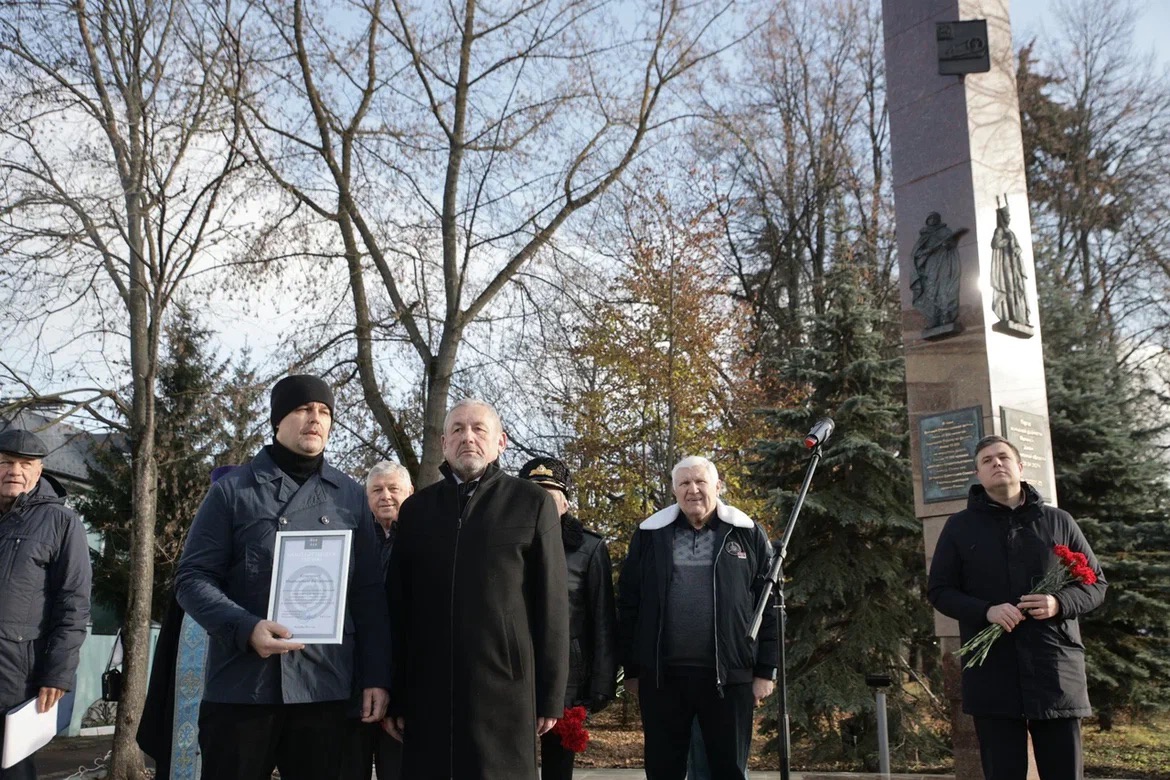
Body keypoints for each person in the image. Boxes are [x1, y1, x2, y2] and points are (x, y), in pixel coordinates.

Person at [175, 374, 391, 780]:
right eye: (303, 409)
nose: (316, 419)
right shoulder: (233, 491)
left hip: (324, 686)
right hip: (243, 687)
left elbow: (367, 595)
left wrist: (376, 676)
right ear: (277, 420)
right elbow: (192, 578)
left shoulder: (349, 496)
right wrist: (245, 627)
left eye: (324, 412)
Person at [386, 399, 569, 779]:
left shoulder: (531, 504)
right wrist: (395, 693)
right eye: (457, 429)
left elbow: (551, 606)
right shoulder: (416, 510)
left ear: (501, 442)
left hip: (505, 691)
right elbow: (398, 607)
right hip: (428, 690)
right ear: (443, 443)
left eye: (478, 429)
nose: (467, 437)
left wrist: (551, 696)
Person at [928, 435, 1107, 780]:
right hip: (993, 674)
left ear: (1020, 467)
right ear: (978, 475)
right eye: (986, 460)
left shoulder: (1059, 521)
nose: (996, 463)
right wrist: (986, 611)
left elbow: (1096, 585)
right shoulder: (959, 527)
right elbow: (939, 591)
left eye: (1003, 457)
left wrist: (1059, 602)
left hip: (1054, 671)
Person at [618, 456, 777, 780]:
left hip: (729, 678)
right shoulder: (650, 535)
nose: (693, 490)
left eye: (700, 481)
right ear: (674, 491)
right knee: (663, 771)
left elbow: (770, 605)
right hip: (663, 678)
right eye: (684, 483)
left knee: (728, 771)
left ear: (718, 486)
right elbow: (629, 603)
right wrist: (632, 670)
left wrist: (765, 671)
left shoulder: (746, 533)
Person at [0, 429, 92, 780]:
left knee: (12, 770)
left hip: (17, 677)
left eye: (25, 464)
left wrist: (57, 673)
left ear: (39, 471)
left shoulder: (61, 522)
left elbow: (74, 604)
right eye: (6, 462)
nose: (15, 471)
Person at [518, 457, 617, 780]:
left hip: (567, 676)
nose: (540, 503)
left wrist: (602, 682)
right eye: (532, 494)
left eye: (549, 495)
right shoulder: (500, 542)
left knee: (558, 768)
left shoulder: (589, 548)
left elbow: (603, 619)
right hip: (510, 670)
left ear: (565, 503)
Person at [340, 462, 413, 780]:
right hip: (352, 683)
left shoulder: (425, 539)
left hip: (405, 683)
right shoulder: (348, 539)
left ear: (409, 492)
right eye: (377, 490)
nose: (386, 496)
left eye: (393, 489)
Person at [910, 212, 968, 328]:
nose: (932, 220)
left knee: (944, 289)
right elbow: (916, 254)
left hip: (944, 263)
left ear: (938, 219)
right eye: (930, 218)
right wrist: (927, 251)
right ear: (927, 221)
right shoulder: (924, 236)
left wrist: (947, 244)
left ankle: (946, 316)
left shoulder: (945, 231)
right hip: (930, 267)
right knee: (931, 291)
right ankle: (933, 318)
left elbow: (952, 244)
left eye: (934, 218)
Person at [990, 199, 1031, 326]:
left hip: (1015, 265)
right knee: (1009, 289)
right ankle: (1011, 315)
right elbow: (995, 244)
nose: (1009, 218)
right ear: (1002, 217)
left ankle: (1021, 316)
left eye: (1009, 216)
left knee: (1018, 289)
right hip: (1006, 265)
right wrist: (1005, 241)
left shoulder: (1011, 232)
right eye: (1007, 216)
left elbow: (1018, 247)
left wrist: (1018, 250)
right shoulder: (999, 231)